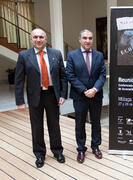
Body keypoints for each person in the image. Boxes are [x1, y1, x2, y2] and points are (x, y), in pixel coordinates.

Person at [15, 28, 68, 168]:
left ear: (46, 39)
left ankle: (57, 151)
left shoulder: (56, 54)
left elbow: (63, 76)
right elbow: (19, 80)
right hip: (35, 96)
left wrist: (63, 94)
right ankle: (39, 154)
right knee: (36, 127)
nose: (38, 40)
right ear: (31, 39)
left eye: (41, 37)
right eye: (35, 37)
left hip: (52, 94)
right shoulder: (24, 55)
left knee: (54, 125)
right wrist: (20, 100)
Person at [66, 29, 106, 163]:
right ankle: (81, 149)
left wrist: (94, 89)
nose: (87, 41)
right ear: (79, 39)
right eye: (85, 38)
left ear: (92, 40)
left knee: (96, 122)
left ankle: (96, 146)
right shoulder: (71, 55)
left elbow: (102, 75)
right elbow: (70, 75)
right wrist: (84, 90)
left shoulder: (99, 55)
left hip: (96, 95)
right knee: (80, 123)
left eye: (90, 38)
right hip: (79, 96)